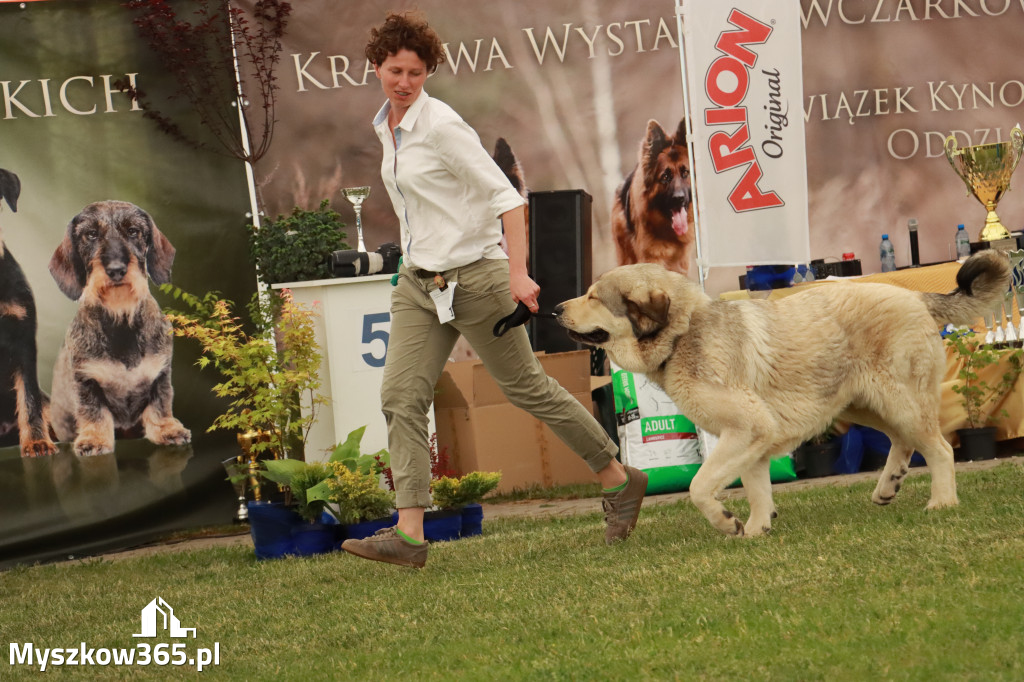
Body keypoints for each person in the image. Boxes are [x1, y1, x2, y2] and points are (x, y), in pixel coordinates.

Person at [341, 11, 647, 569]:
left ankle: (617, 477)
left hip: (476, 279)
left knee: (527, 388)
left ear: (428, 71)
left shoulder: (441, 126)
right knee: (400, 397)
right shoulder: (387, 124)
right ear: (377, 68)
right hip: (419, 284)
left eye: (415, 71)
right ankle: (409, 535)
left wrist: (517, 272)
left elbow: (509, 200)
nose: (404, 81)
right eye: (394, 70)